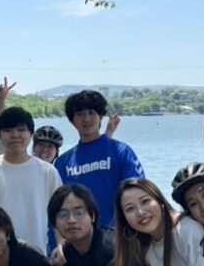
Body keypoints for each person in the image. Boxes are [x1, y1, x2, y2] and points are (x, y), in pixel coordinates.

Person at [0, 107, 62, 254]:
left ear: (31, 134)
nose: (15, 135)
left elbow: (59, 213)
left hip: (36, 255)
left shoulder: (47, 171)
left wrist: (60, 246)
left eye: (21, 130)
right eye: (8, 130)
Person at [112, 176, 203, 266]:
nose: (140, 212)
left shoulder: (186, 231)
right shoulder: (149, 250)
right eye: (130, 209)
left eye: (145, 201)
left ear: (160, 201)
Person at [55, 90, 144, 228]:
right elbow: (57, 208)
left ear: (101, 116)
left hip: (120, 237)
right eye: (80, 114)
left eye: (91, 113)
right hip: (80, 239)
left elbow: (138, 192)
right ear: (72, 121)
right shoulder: (63, 162)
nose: (86, 119)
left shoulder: (120, 151)